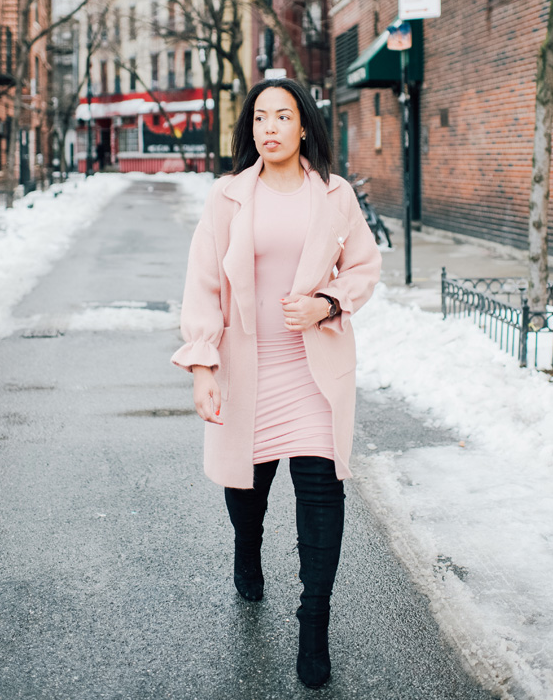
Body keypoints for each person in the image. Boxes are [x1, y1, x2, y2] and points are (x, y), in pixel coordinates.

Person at [171, 78, 381, 689]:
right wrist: (204, 367)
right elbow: (204, 285)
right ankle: (248, 546)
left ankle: (313, 625)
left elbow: (364, 268)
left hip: (314, 371)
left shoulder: (334, 195)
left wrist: (327, 302)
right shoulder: (229, 198)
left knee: (322, 493)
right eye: (260, 117)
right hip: (248, 370)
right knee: (249, 494)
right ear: (250, 130)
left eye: (282, 116)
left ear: (303, 125)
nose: (269, 127)